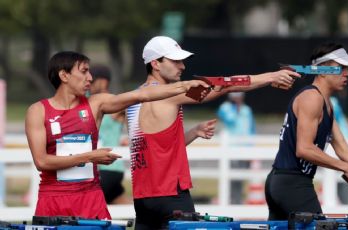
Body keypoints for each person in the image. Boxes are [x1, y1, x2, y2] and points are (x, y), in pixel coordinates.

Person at [128, 35, 300, 229]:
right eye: (175, 61)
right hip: (171, 197)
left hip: (143, 199)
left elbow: (158, 149)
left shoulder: (134, 100)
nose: (182, 66)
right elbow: (226, 86)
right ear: (155, 64)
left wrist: (193, 132)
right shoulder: (172, 95)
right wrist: (271, 76)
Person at [24, 51, 210, 219]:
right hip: (53, 198)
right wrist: (89, 157)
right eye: (84, 71)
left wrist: (184, 86)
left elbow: (141, 95)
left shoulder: (96, 103)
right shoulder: (38, 111)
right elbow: (42, 161)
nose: (90, 77)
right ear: (64, 75)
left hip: (91, 199)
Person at [265, 42, 348, 221]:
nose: (347, 73)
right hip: (292, 184)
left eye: (347, 68)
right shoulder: (312, 98)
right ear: (323, 70)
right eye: (341, 68)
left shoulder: (327, 104)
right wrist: (347, 167)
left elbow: (343, 148)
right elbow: (304, 149)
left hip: (285, 182)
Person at [89, 65, 130, 204]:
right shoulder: (88, 101)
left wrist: (132, 138)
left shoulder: (115, 103)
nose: (89, 83)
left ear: (103, 81)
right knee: (125, 205)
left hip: (110, 167)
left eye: (92, 81)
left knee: (88, 204)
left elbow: (139, 118)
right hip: (93, 165)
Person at [217, 92, 255, 204]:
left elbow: (251, 129)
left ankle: (237, 201)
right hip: (231, 148)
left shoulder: (247, 110)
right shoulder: (224, 108)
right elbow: (229, 121)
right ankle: (231, 200)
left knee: (240, 177)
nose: (238, 99)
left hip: (245, 148)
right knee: (231, 177)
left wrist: (251, 148)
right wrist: (235, 108)